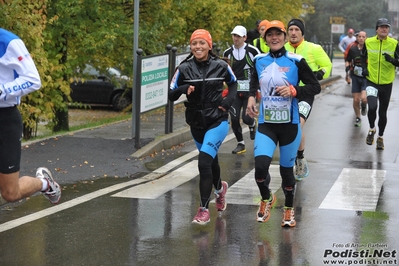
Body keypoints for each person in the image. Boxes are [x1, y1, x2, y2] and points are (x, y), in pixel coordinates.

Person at [246, 20, 321, 227]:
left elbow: (315, 87)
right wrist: (251, 97)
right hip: (267, 124)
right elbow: (253, 80)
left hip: (290, 124)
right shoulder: (259, 60)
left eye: (278, 34)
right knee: (260, 169)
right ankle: (267, 198)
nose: (274, 38)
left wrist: (295, 91)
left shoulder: (297, 60)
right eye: (270, 35)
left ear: (285, 37)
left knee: (286, 172)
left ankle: (288, 210)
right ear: (265, 39)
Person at [169, 29, 238, 225]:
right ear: (191, 47)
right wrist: (183, 89)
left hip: (217, 120)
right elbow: (171, 94)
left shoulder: (221, 65)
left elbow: (234, 85)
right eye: (194, 44)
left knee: (203, 163)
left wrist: (227, 102)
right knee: (211, 162)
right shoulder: (183, 68)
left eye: (202, 43)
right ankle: (220, 190)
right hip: (197, 123)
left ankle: (203, 210)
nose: (198, 47)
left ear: (209, 45)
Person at [0, 28, 61, 204]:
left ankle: (45, 183)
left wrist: (1, 91)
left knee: (10, 193)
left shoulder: (9, 42)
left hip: (4, 119)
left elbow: (33, 80)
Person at [284, 18, 332, 180]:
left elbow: (327, 65)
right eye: (290, 30)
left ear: (302, 32)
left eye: (297, 30)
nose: (293, 33)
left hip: (305, 94)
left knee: (297, 124)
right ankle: (294, 156)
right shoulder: (282, 49)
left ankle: (300, 158)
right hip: (287, 95)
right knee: (288, 127)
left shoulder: (314, 48)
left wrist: (319, 74)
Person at [362, 18, 399, 150]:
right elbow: (362, 56)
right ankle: (372, 129)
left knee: (382, 113)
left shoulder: (395, 43)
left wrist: (392, 60)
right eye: (382, 27)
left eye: (386, 27)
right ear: (376, 29)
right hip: (372, 81)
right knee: (372, 107)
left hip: (386, 83)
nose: (384, 29)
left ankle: (381, 137)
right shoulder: (368, 42)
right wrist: (364, 68)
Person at [223, 25, 261, 154]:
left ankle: (251, 124)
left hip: (249, 91)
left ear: (245, 37)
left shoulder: (253, 51)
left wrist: (259, 88)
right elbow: (226, 71)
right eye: (234, 35)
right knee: (234, 119)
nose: (236, 38)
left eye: (238, 36)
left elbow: (260, 67)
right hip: (234, 90)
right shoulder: (227, 53)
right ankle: (240, 144)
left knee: (246, 118)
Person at [345, 31, 368, 127]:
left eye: (363, 37)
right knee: (355, 100)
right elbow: (348, 60)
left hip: (366, 77)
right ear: (357, 38)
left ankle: (364, 106)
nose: (361, 38)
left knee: (363, 98)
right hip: (355, 76)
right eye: (359, 37)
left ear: (366, 38)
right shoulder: (353, 49)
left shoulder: (369, 49)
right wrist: (347, 68)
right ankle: (358, 117)